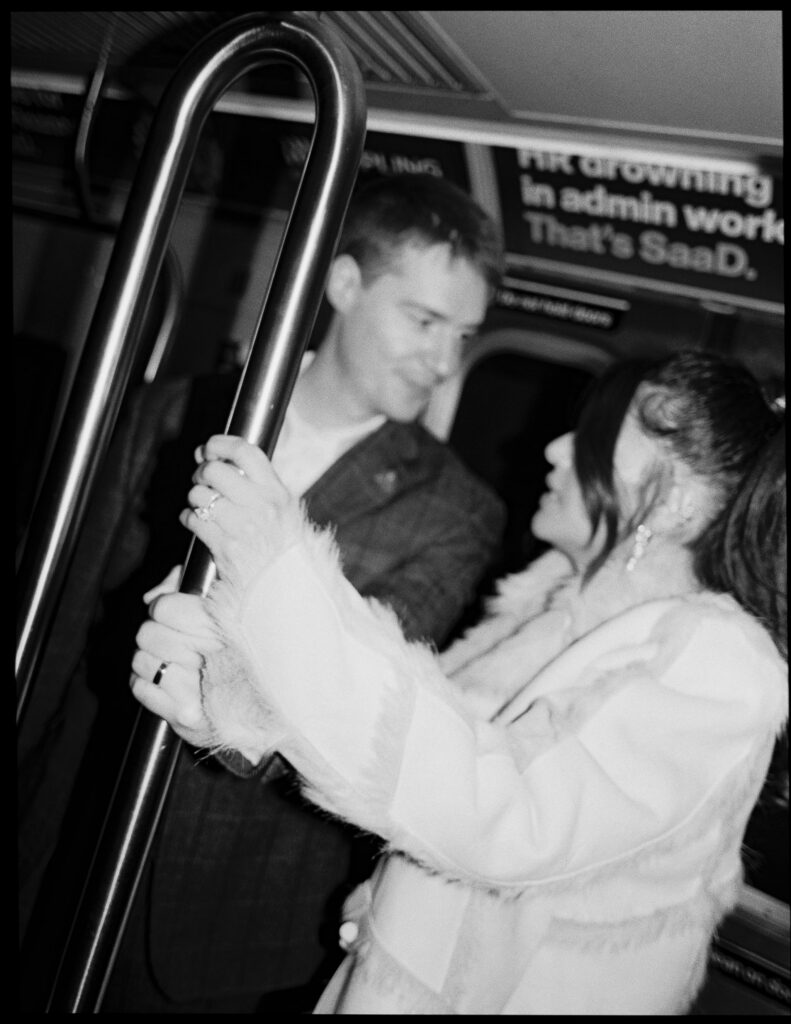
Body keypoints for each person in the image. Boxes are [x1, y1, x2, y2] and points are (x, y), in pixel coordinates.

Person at [131, 350, 787, 1015]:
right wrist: (243, 694)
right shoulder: (548, 619)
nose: (557, 450)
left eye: (592, 439)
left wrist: (281, 574)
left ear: (672, 502)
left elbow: (504, 821)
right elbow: (424, 767)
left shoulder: (716, 660)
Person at [18, 173, 506, 1013]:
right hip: (70, 825)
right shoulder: (177, 411)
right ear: (344, 282)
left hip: (223, 907)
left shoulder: (454, 511)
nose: (444, 361)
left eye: (463, 335)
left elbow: (355, 713)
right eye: (424, 321)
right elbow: (63, 618)